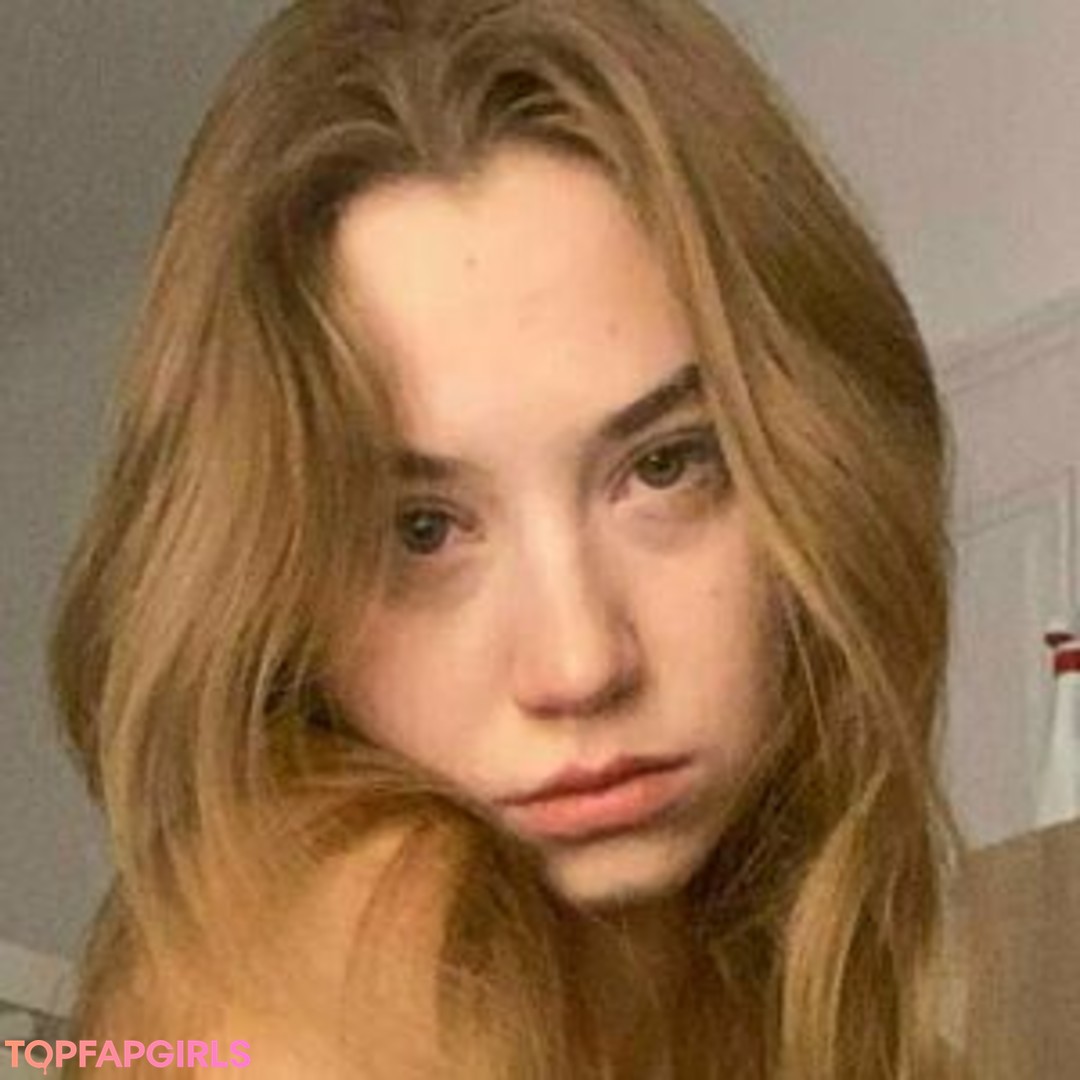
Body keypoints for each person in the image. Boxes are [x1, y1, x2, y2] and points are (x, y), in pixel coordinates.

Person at [49, 1, 970, 1076]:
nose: (579, 666)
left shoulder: (777, 976)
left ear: (819, 467)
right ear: (274, 587)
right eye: (422, 529)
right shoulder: (329, 953)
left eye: (665, 466)